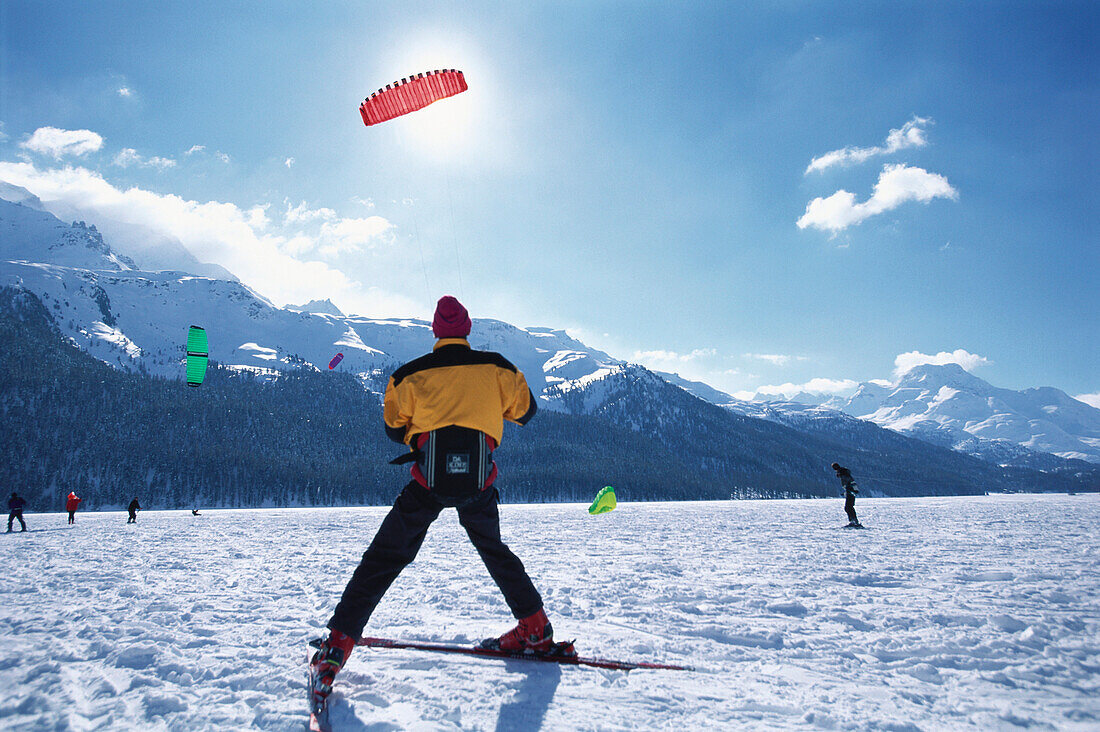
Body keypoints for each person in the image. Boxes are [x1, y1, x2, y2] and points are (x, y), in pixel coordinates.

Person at [310, 295, 548, 709]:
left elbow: (392, 427)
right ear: (468, 328)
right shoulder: (498, 368)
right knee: (494, 550)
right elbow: (525, 413)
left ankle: (336, 648)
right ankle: (536, 630)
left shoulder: (409, 375)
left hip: (427, 481)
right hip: (478, 480)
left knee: (384, 558)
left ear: (435, 331)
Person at [832, 463, 861, 527]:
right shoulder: (843, 473)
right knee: (848, 507)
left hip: (851, 492)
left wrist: (851, 489)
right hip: (850, 492)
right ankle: (853, 521)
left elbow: (850, 483)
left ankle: (854, 521)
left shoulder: (843, 474)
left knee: (848, 507)